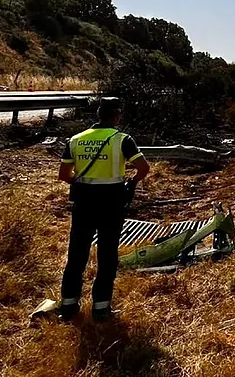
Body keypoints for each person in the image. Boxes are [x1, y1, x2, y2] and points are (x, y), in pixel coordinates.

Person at [57, 97, 150, 321]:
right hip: (111, 202)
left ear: (98, 115)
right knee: (107, 255)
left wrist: (79, 183)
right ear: (117, 115)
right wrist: (132, 182)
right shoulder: (122, 140)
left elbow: (63, 175)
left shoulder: (76, 139)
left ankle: (68, 305)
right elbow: (143, 167)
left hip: (84, 202)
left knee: (77, 253)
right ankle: (101, 308)